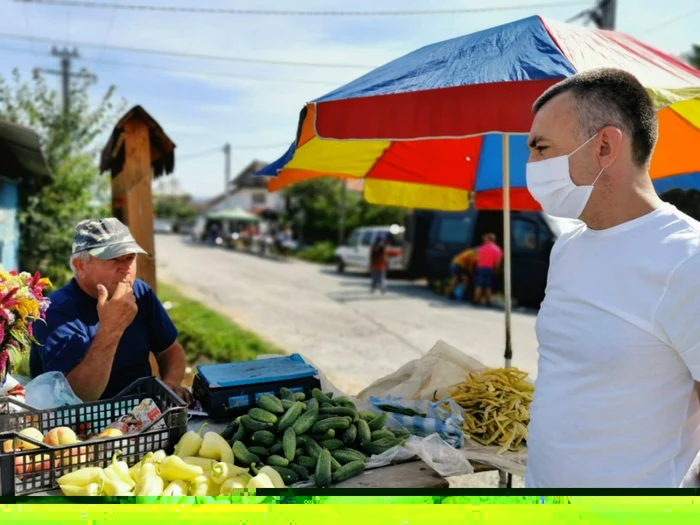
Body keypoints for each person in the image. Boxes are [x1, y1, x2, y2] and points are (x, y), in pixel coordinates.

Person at [524, 68, 700, 488]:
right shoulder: (568, 247)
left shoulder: (685, 259)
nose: (531, 166)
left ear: (604, 145)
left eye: (541, 148)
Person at [30, 218, 192, 404]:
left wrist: (171, 382)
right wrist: (111, 328)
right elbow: (75, 397)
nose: (125, 268)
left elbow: (170, 349)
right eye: (113, 259)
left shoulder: (140, 292)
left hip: (142, 415)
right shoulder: (55, 311)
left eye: (130, 258)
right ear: (80, 266)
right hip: (80, 424)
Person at [472, 233, 503, 306]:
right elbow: (498, 262)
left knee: (479, 285)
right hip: (490, 269)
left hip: (481, 268)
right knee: (488, 286)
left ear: (488, 239)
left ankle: (476, 300)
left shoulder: (481, 248)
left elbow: (476, 259)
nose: (484, 240)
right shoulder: (497, 249)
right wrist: (496, 269)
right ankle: (488, 302)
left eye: (485, 239)